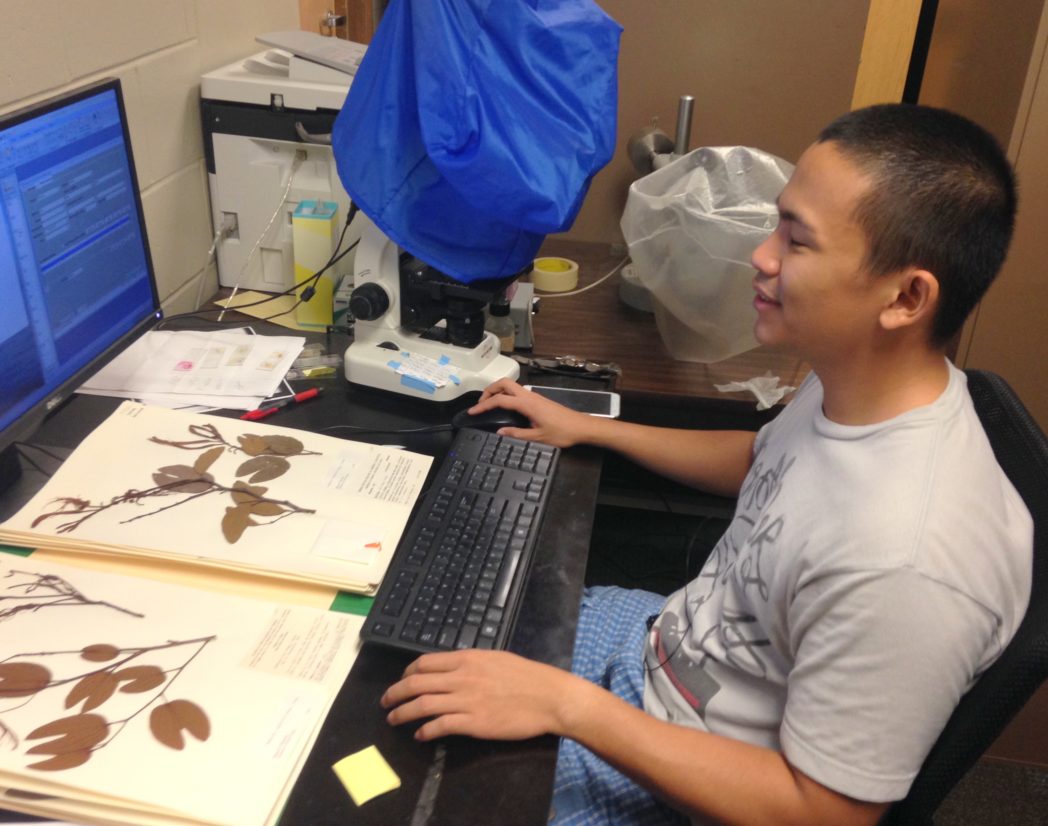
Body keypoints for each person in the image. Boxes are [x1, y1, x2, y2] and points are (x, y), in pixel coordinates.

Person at [380, 104, 1034, 825]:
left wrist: (566, 706)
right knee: (405, 641)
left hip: (695, 780)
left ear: (905, 297)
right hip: (661, 647)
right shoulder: (854, 375)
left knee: (387, 793)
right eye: (778, 221)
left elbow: (823, 812)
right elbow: (764, 459)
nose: (762, 255)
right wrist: (595, 428)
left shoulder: (909, 561)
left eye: (798, 241)